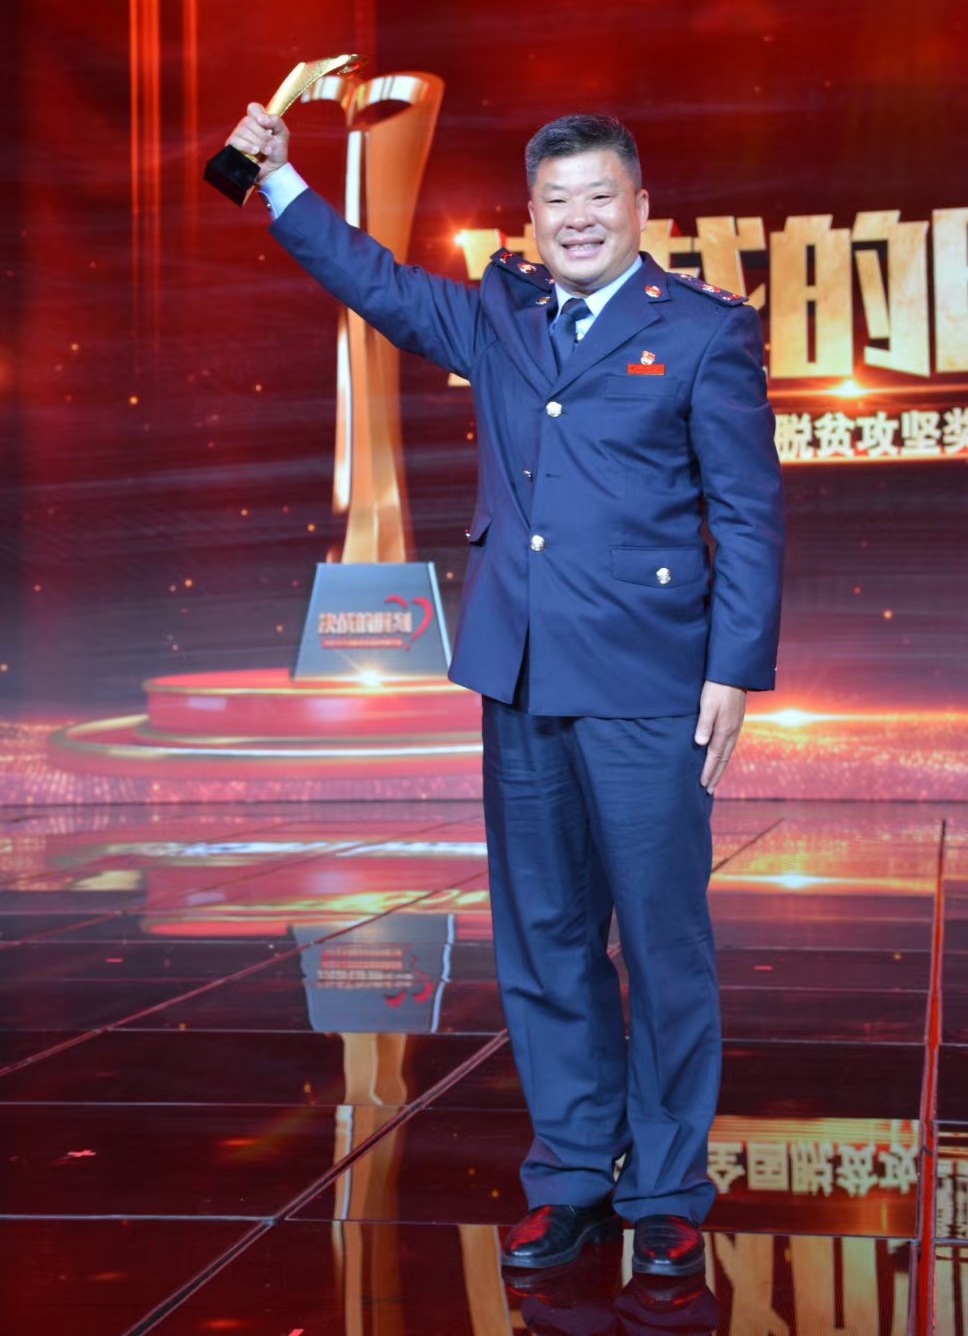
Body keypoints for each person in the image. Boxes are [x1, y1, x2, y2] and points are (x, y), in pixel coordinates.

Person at [224, 104, 785, 1279]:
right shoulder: (501, 313)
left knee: (663, 945)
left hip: (648, 683)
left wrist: (735, 668)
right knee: (545, 940)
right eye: (557, 201)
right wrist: (274, 183)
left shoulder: (701, 332)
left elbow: (746, 514)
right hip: (521, 676)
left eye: (600, 197)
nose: (579, 219)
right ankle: (572, 1175)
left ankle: (668, 1189)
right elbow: (377, 284)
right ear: (531, 216)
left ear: (641, 209)